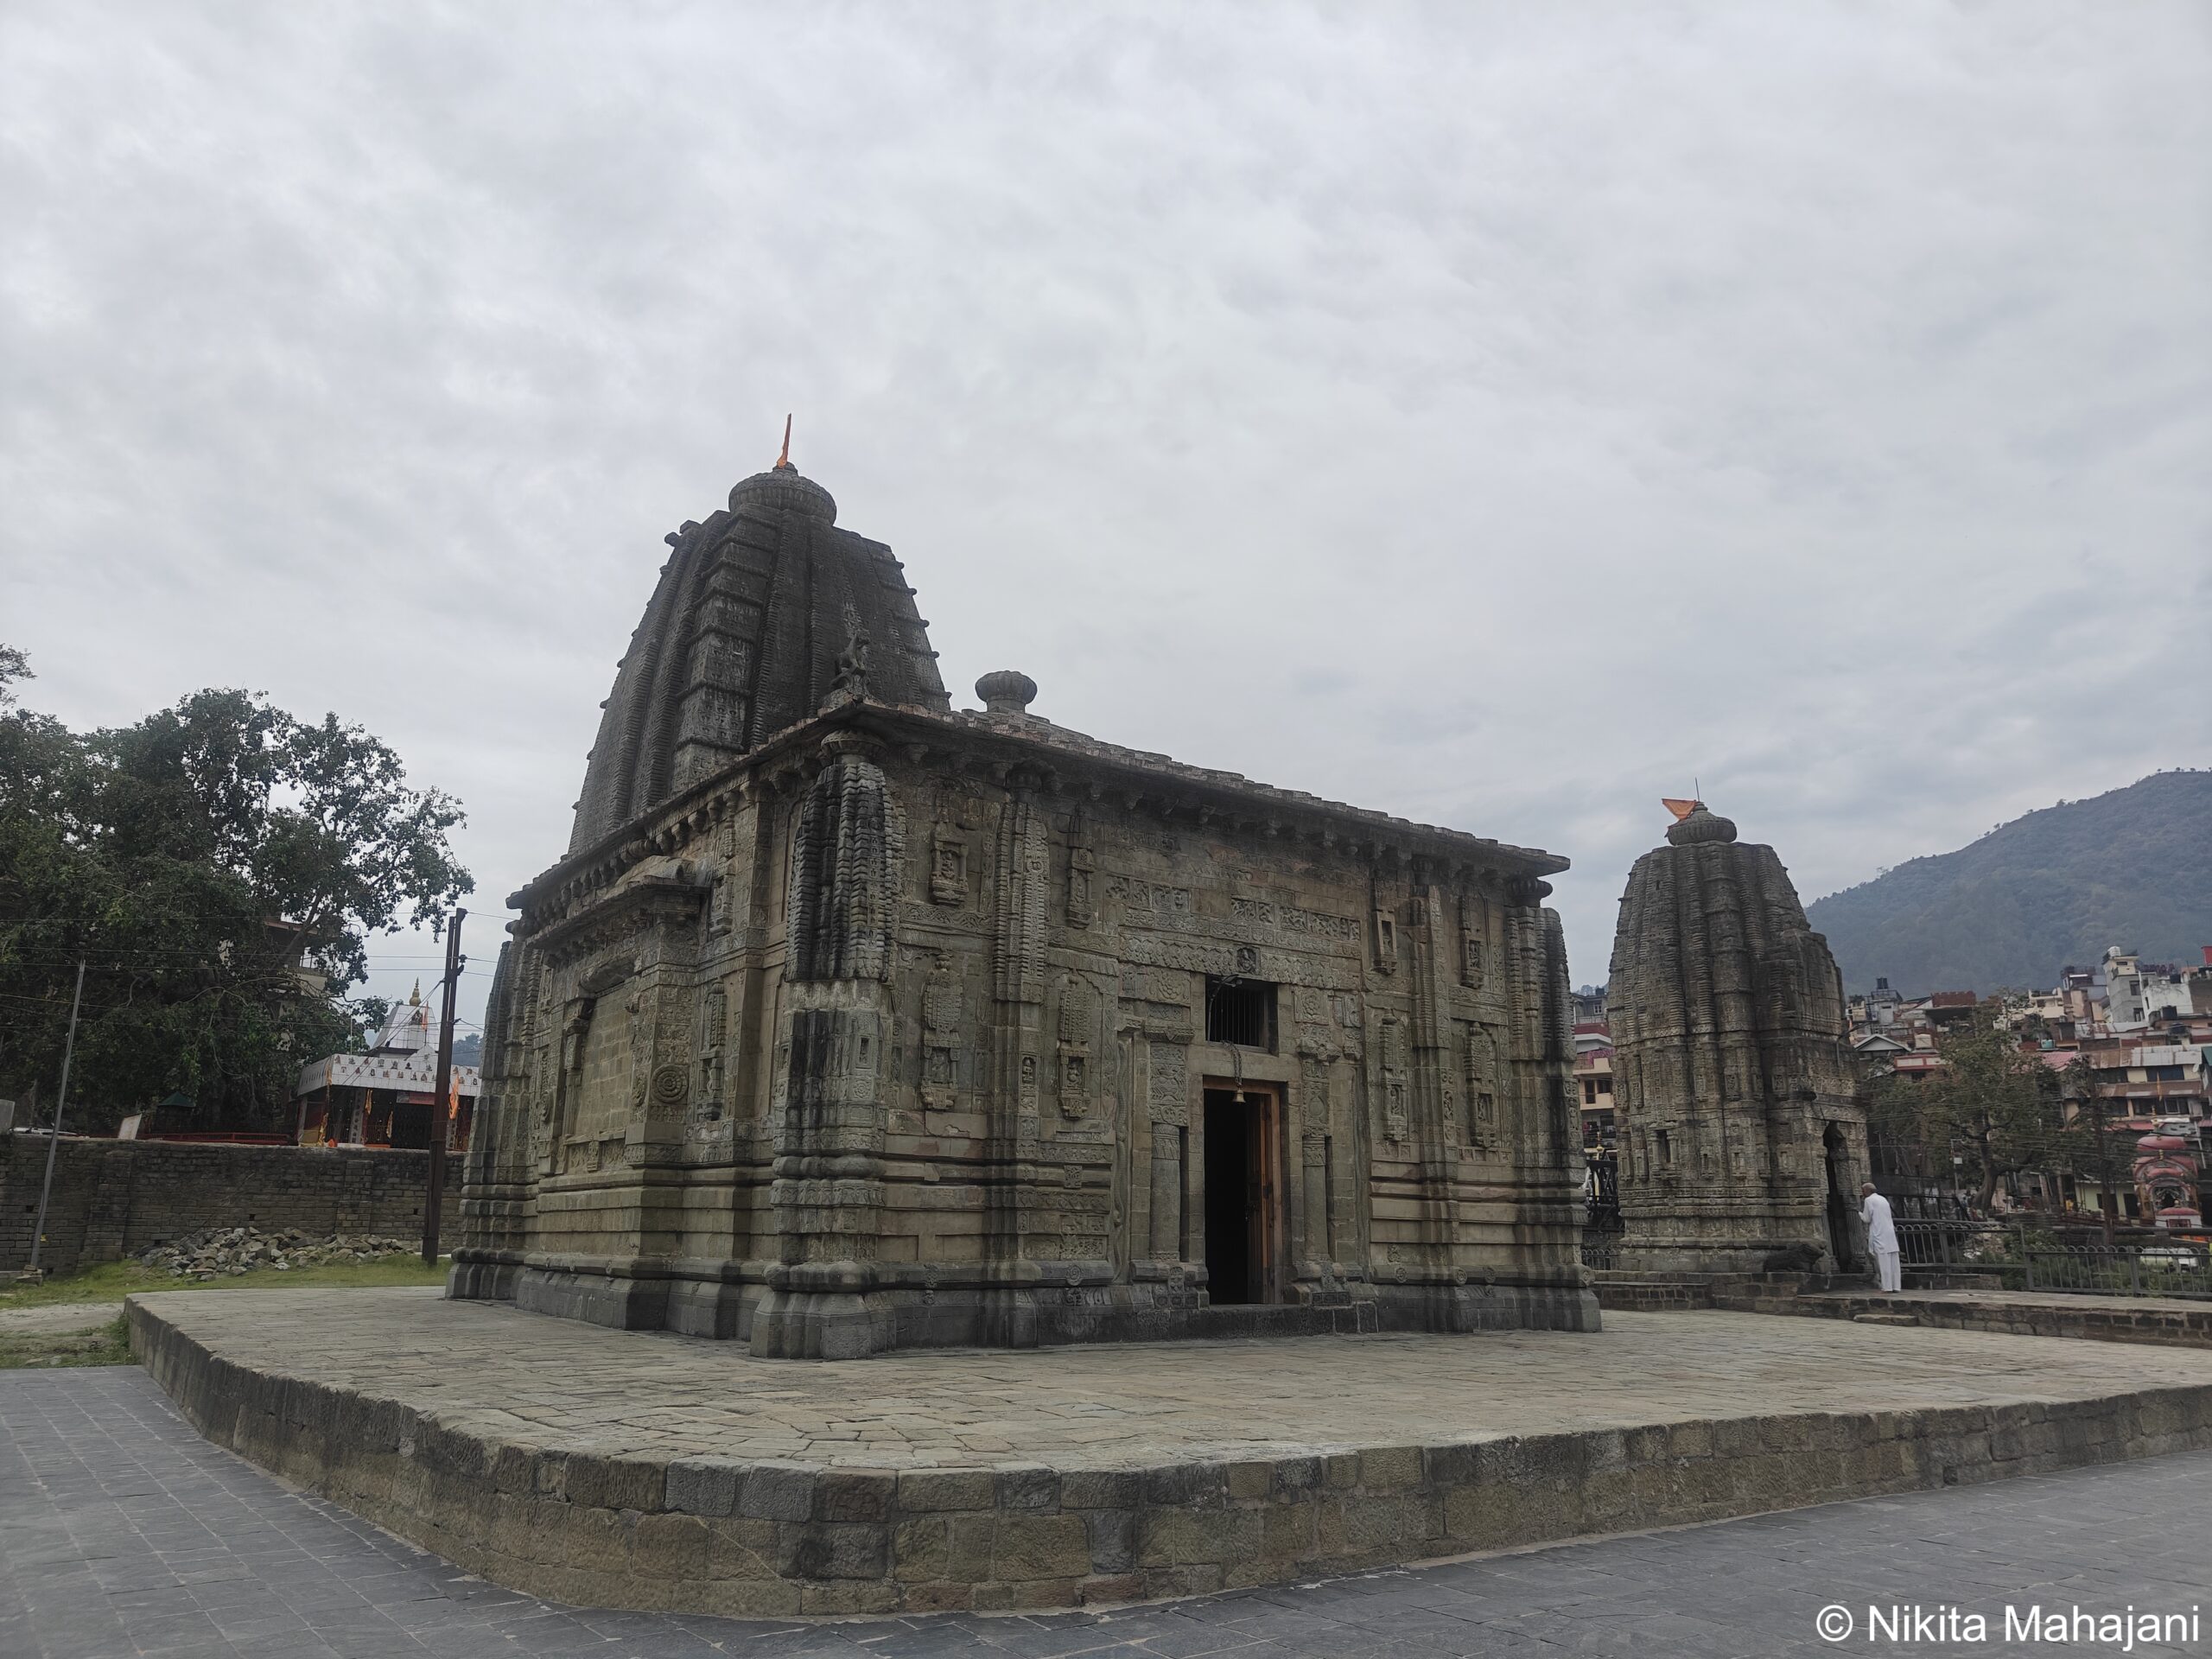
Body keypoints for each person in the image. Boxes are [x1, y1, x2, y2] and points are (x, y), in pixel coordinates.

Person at [1859, 1181, 1901, 1293]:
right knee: (1894, 1262)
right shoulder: (1883, 1199)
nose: (1862, 1193)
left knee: (1884, 1262)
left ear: (1868, 1191)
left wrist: (1858, 1213)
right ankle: (1896, 1286)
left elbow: (1867, 1219)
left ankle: (1887, 1287)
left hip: (1879, 1234)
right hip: (1889, 1233)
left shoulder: (1869, 1200)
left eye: (1863, 1191)